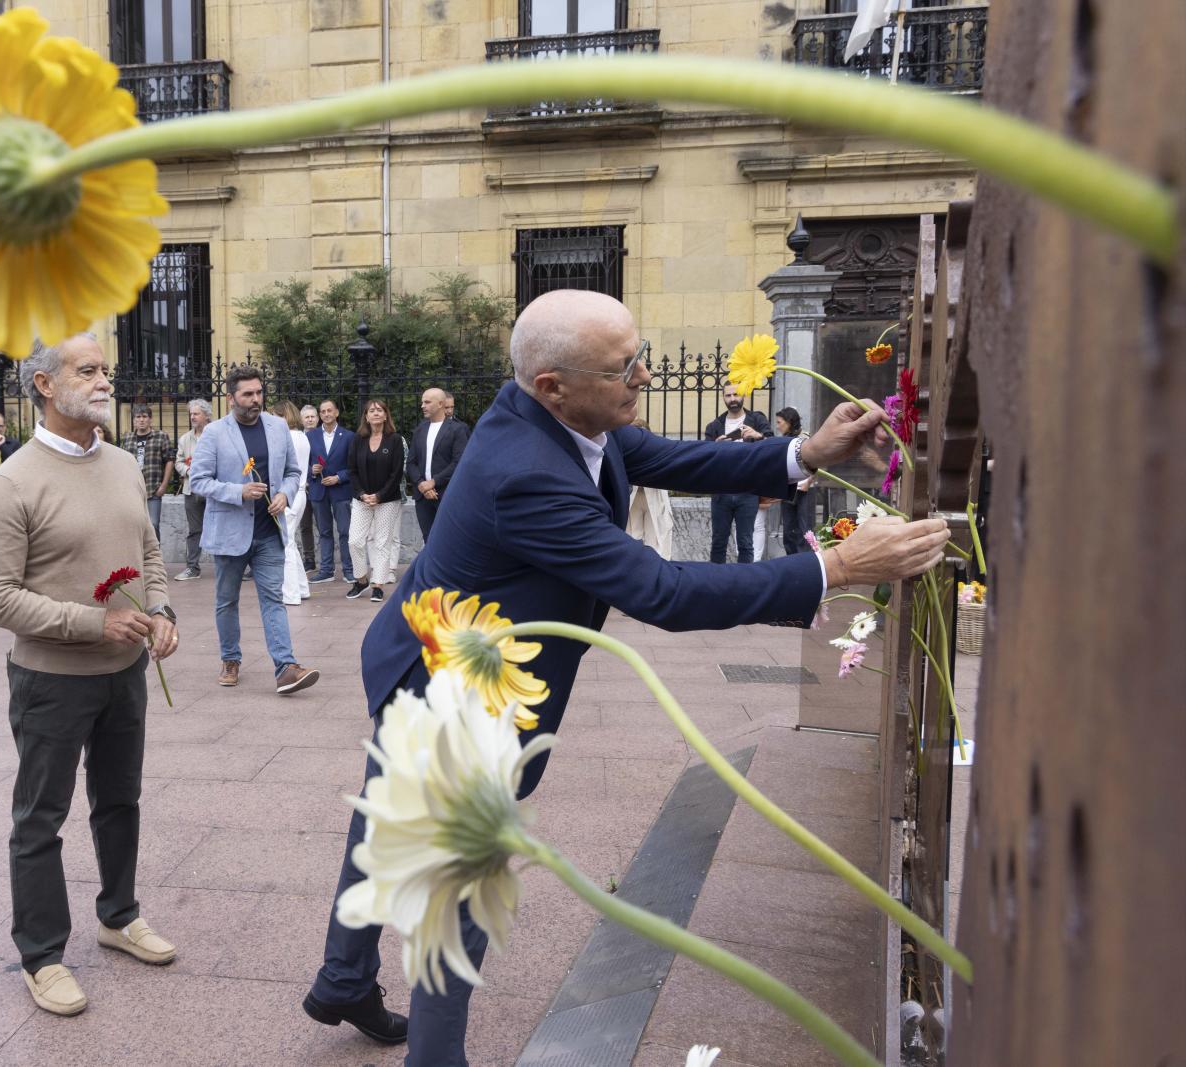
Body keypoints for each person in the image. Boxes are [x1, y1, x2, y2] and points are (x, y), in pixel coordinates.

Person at [303, 289, 950, 1063]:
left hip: (435, 644)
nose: (644, 374)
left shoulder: (571, 418)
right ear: (553, 385)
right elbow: (662, 592)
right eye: (626, 367)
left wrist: (802, 454)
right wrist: (836, 565)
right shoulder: (525, 471)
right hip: (455, 685)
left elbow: (672, 457)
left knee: (382, 815)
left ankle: (343, 978)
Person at [0, 332, 180, 1018]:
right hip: (52, 681)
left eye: (104, 370)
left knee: (121, 801)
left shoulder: (121, 463)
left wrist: (161, 607)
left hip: (124, 674)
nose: (103, 381)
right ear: (43, 385)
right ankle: (42, 954)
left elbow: (147, 548)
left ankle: (119, 915)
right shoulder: (12, 483)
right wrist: (92, 624)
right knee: (41, 819)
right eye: (87, 370)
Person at [189, 365, 320, 694]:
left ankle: (285, 667)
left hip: (268, 532)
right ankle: (230, 659)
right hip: (229, 534)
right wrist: (238, 492)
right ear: (231, 397)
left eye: (259, 392)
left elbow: (292, 472)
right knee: (226, 601)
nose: (255, 399)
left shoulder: (278, 428)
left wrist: (284, 494)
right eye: (248, 394)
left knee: (273, 599)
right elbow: (198, 481)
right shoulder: (215, 433)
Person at [703, 380, 773, 563]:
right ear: (723, 397)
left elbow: (773, 446)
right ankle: (716, 583)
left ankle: (746, 584)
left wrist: (758, 436)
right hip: (721, 492)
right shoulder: (714, 426)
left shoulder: (757, 420)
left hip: (747, 490)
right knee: (718, 542)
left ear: (744, 395)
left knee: (745, 542)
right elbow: (704, 459)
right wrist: (715, 447)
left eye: (736, 394)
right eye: (728, 395)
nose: (732, 398)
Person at [345, 399, 405, 604]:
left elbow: (397, 474)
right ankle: (361, 579)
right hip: (361, 500)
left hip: (387, 500)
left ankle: (377, 585)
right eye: (372, 410)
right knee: (354, 541)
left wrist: (379, 496)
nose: (376, 413)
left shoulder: (395, 440)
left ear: (386, 415)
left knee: (382, 543)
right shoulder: (358, 440)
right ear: (366, 416)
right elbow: (351, 471)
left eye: (380, 410)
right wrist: (362, 494)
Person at [405, 387, 470, 541]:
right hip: (423, 496)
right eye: (422, 402)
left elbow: (459, 462)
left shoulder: (457, 429)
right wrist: (422, 484)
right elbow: (411, 462)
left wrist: (434, 482)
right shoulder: (420, 429)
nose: (422, 406)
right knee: (429, 540)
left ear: (440, 404)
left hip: (447, 494)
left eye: (427, 402)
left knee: (450, 540)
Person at [306, 399, 356, 587]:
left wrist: (338, 477)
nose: (326, 414)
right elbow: (304, 463)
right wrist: (312, 469)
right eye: (323, 412)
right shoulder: (311, 436)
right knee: (324, 532)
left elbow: (354, 466)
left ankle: (349, 570)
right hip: (319, 491)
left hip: (341, 490)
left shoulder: (349, 436)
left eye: (329, 411)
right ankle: (326, 570)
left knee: (345, 531)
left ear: (336, 413)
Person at [272, 400, 311, 606]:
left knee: (284, 544)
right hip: (299, 493)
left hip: (291, 494)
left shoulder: (290, 438)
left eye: (276, 416)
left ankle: (291, 593)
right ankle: (301, 588)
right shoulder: (301, 436)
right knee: (290, 542)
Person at [120, 404, 174, 537]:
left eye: (144, 416)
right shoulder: (127, 438)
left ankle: (155, 557)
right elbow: (122, 462)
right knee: (135, 525)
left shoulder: (161, 436)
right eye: (138, 417)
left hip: (153, 488)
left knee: (153, 524)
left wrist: (164, 485)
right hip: (132, 490)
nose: (141, 420)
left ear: (150, 419)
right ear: (133, 420)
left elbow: (170, 460)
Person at [173, 399, 211, 580]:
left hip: (213, 489)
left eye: (196, 414)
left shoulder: (216, 434)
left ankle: (233, 566)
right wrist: (188, 470)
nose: (192, 417)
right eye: (191, 414)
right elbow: (178, 462)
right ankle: (193, 568)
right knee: (195, 531)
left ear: (206, 415)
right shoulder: (185, 438)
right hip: (192, 489)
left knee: (223, 527)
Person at [625, 418, 674, 557]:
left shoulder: (655, 449)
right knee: (632, 537)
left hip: (654, 496)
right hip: (631, 497)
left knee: (657, 540)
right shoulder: (624, 450)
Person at [774, 407, 812, 556]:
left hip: (804, 489)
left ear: (789, 422)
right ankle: (791, 559)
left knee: (804, 528)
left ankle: (805, 560)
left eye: (779, 422)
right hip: (788, 488)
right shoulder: (783, 440)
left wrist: (809, 482)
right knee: (788, 529)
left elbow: (815, 462)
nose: (777, 426)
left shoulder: (806, 437)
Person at [298, 405, 320, 570]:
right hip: (302, 489)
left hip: (320, 487)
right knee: (305, 526)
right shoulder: (298, 438)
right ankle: (309, 560)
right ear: (301, 420)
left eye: (313, 416)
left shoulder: (322, 437)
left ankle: (326, 561)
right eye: (307, 417)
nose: (310, 419)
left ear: (317, 419)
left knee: (323, 526)